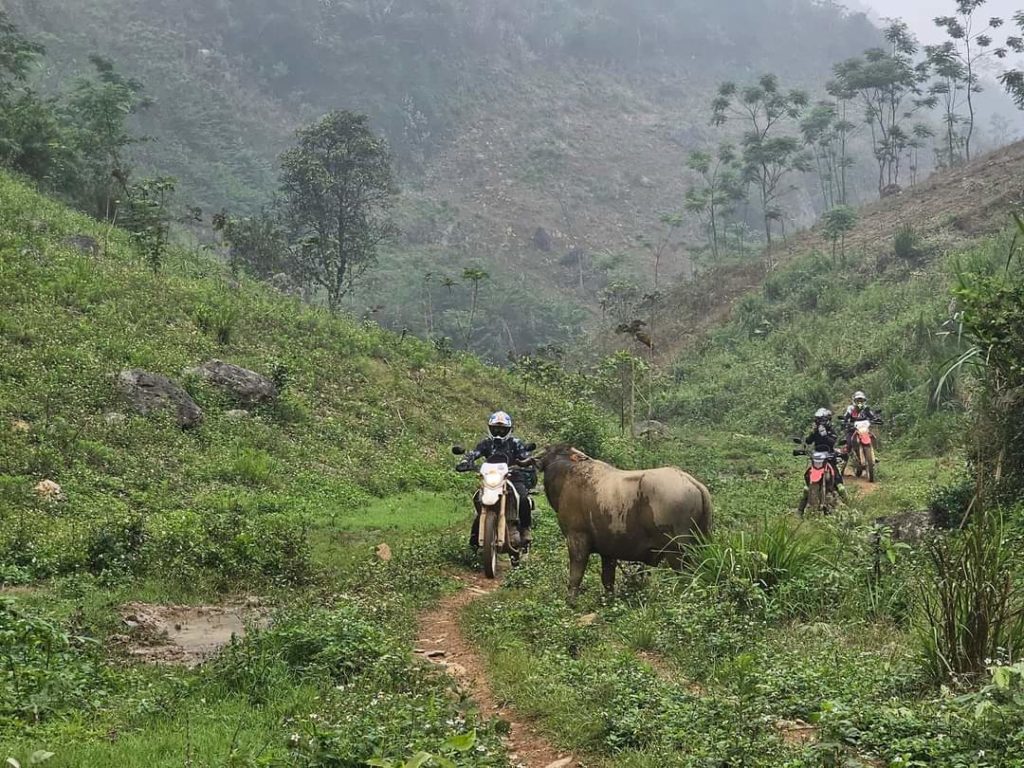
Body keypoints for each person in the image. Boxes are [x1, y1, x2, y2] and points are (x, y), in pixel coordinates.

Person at [459, 411, 535, 551]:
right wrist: (465, 461)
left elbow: (525, 456)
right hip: (491, 478)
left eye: (502, 430)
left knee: (523, 499)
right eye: (495, 429)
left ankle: (525, 528)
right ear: (490, 428)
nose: (499, 433)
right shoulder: (485, 443)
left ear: (509, 430)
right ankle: (474, 542)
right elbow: (474, 453)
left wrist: (526, 462)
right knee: (478, 499)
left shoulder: (515, 443)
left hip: (513, 476)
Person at [798, 408, 846, 513]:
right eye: (818, 420)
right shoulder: (815, 431)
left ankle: (846, 502)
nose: (819, 422)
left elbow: (833, 442)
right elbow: (808, 441)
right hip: (817, 457)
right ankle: (800, 509)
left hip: (829, 457)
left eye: (821, 420)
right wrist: (813, 432)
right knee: (807, 476)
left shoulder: (830, 431)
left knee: (839, 483)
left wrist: (825, 434)